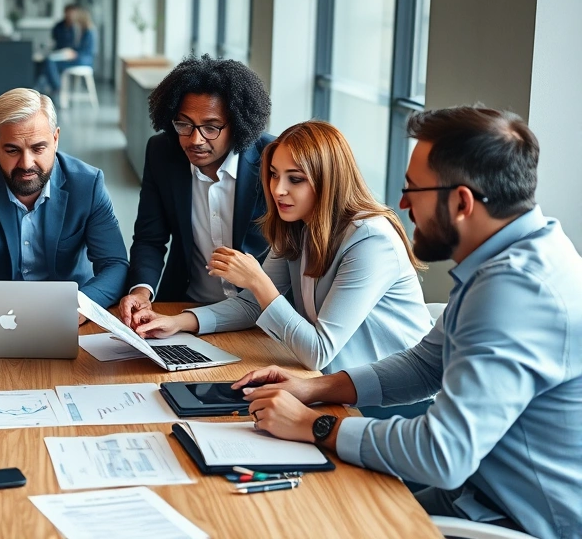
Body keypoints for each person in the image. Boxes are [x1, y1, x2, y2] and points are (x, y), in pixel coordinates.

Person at [235, 107, 582, 537]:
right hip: (476, 494)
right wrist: (313, 387)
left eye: (413, 189)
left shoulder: (513, 292)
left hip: (514, 520)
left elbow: (443, 454)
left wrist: (314, 424)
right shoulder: (508, 259)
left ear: (460, 202)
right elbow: (423, 366)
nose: (401, 204)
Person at [132, 121, 432, 373]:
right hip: (331, 382)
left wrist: (257, 280)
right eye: (274, 174)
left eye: (295, 179)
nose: (278, 189)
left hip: (389, 399)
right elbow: (251, 305)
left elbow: (318, 351)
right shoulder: (298, 225)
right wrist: (177, 322)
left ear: (329, 181)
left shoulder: (370, 240)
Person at [0, 87, 128, 316]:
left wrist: (80, 306)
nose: (26, 164)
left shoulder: (88, 184)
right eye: (12, 150)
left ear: (55, 139)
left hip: (70, 313)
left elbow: (114, 265)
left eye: (38, 148)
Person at [117, 55, 274, 325]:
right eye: (184, 124)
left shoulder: (272, 160)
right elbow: (150, 238)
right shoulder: (162, 152)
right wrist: (142, 291)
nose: (195, 139)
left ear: (237, 124)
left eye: (211, 127)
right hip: (184, 306)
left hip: (258, 315)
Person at [42, 7, 96, 95]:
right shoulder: (85, 30)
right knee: (51, 62)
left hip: (82, 60)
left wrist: (75, 53)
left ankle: (57, 87)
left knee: (51, 62)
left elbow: (87, 51)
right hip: (80, 58)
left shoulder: (88, 32)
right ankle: (55, 86)